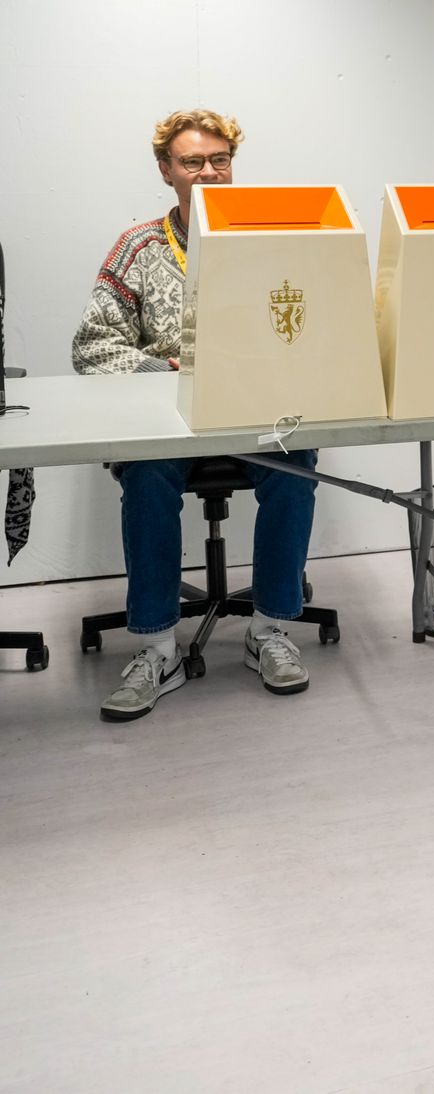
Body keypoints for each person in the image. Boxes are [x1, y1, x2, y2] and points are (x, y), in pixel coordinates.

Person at [75, 109, 320, 722]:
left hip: (252, 414)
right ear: (166, 172)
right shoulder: (138, 248)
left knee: (299, 463)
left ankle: (270, 629)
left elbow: (310, 327)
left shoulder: (271, 242)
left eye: (220, 161)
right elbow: (93, 348)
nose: (208, 172)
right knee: (147, 473)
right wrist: (173, 375)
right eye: (192, 162)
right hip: (166, 421)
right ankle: (159, 647)